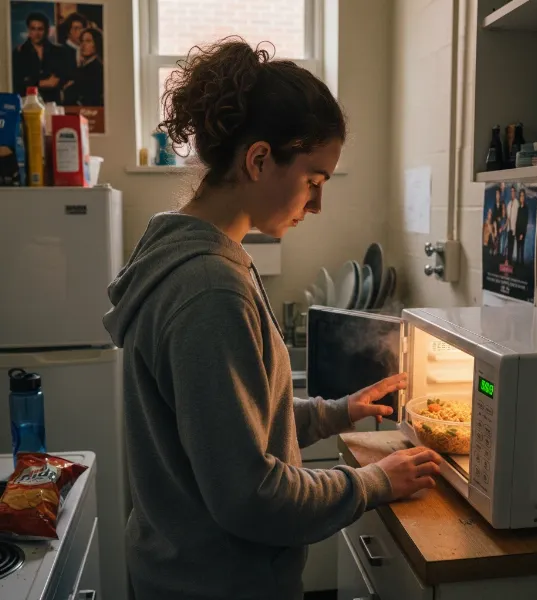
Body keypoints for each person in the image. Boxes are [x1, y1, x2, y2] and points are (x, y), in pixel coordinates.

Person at [102, 38, 442, 600]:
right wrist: (374, 482)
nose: (316, 204)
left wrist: (335, 413)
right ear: (259, 159)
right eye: (314, 180)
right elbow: (251, 496)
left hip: (178, 570)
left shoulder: (184, 255)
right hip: (218, 585)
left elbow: (233, 427)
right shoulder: (210, 290)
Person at [12, 12, 69, 103]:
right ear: (29, 30)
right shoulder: (19, 53)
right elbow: (17, 82)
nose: (36, 33)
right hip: (28, 103)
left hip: (53, 103)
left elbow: (65, 76)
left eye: (40, 29)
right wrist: (40, 83)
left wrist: (57, 82)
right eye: (33, 29)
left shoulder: (58, 51)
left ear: (47, 30)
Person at [63, 28, 104, 107]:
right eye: (82, 41)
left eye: (88, 41)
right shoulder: (81, 67)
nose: (83, 45)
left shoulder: (97, 68)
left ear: (97, 43)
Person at [506, 185, 519, 265]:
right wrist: (505, 226)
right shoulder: (509, 203)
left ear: (515, 193)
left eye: (513, 191)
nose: (512, 193)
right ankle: (508, 261)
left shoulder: (517, 203)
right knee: (509, 246)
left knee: (512, 246)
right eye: (511, 191)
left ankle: (512, 262)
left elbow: (517, 217)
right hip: (509, 228)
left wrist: (515, 229)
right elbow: (508, 217)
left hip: (514, 228)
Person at [515, 188, 529, 265]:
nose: (522, 197)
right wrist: (517, 232)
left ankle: (522, 263)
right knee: (517, 248)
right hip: (517, 231)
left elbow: (525, 222)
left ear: (524, 197)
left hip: (522, 232)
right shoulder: (519, 208)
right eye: (520, 196)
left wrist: (522, 234)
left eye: (523, 196)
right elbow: (518, 221)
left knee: (522, 248)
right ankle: (517, 262)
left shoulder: (526, 209)